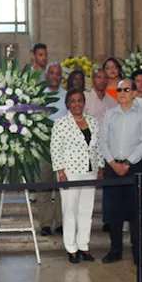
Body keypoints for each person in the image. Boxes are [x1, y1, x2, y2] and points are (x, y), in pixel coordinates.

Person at [98, 79, 142, 264]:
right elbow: (102, 141)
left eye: (126, 89)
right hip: (113, 168)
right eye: (119, 90)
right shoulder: (109, 115)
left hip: (133, 168)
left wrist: (128, 162)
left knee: (136, 213)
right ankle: (115, 250)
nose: (121, 93)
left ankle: (138, 253)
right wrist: (113, 163)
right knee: (114, 213)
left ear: (134, 93)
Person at [50, 89, 103, 263]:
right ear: (68, 104)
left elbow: (98, 146)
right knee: (70, 210)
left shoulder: (93, 122)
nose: (77, 104)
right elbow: (55, 149)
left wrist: (100, 166)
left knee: (86, 211)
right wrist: (60, 172)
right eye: (73, 101)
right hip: (69, 172)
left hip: (90, 171)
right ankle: (71, 248)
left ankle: (83, 246)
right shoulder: (61, 123)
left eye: (80, 100)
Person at [37, 63, 66, 237]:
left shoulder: (66, 96)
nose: (55, 76)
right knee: (44, 184)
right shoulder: (39, 96)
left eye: (58, 74)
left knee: (62, 185)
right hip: (44, 144)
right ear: (46, 75)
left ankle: (61, 221)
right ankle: (46, 223)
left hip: (63, 145)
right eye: (52, 73)